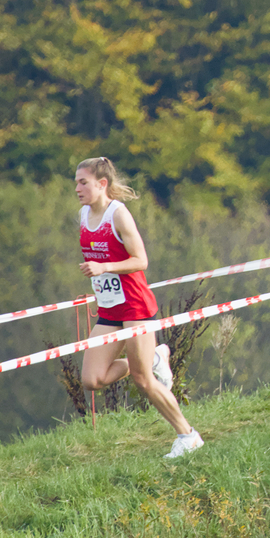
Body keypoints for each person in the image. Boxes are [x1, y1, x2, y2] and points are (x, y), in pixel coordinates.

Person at [75, 156, 204, 458]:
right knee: (92, 380)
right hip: (109, 309)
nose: (78, 189)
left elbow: (141, 261)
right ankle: (156, 356)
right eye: (76, 183)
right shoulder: (83, 215)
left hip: (135, 308)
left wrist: (104, 268)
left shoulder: (118, 214)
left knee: (143, 380)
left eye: (83, 182)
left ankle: (188, 436)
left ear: (102, 184)